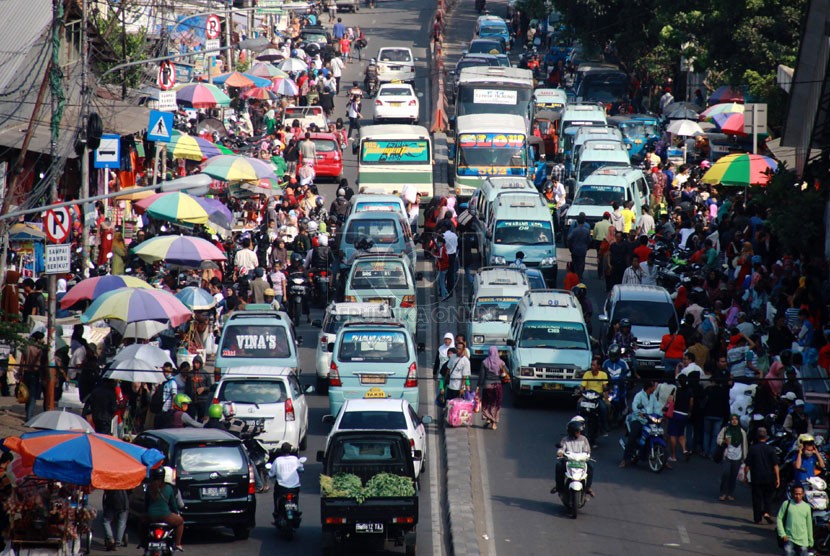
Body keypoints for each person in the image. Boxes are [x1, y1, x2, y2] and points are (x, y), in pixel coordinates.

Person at [550, 417, 594, 497]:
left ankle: (588, 487)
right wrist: (560, 453)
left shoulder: (584, 439)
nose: (578, 433)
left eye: (579, 431)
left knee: (591, 466)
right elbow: (561, 449)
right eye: (577, 432)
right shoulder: (565, 440)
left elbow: (587, 450)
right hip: (568, 460)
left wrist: (587, 455)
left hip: (581, 460)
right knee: (559, 466)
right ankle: (559, 486)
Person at [620, 380, 660, 468]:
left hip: (650, 420)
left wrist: (660, 415)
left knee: (659, 434)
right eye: (653, 387)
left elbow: (657, 407)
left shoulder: (653, 397)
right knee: (632, 437)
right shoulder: (639, 395)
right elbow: (634, 406)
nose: (654, 388)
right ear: (649, 388)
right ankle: (625, 459)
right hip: (638, 419)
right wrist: (639, 413)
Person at [745, 427, 781, 524]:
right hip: (769, 477)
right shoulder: (770, 449)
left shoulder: (753, 449)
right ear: (766, 437)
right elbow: (775, 465)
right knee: (768, 497)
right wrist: (778, 478)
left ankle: (757, 518)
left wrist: (745, 476)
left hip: (756, 477)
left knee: (756, 498)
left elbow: (747, 465)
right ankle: (767, 512)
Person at [145, 467, 184, 551]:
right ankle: (178, 544)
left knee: (141, 523)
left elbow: (146, 504)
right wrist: (176, 512)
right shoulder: (168, 488)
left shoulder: (149, 488)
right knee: (180, 522)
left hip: (151, 517)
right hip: (165, 516)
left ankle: (142, 542)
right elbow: (173, 505)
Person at [268, 443, 304, 525]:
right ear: (290, 450)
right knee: (296, 497)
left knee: (276, 495)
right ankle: (296, 509)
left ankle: (276, 511)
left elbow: (271, 474)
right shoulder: (295, 459)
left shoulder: (277, 460)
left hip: (282, 487)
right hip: (294, 487)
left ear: (281, 450)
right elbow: (301, 469)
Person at [716, 414, 748, 501]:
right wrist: (724, 442)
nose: (734, 421)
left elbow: (744, 445)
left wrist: (744, 457)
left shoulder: (742, 432)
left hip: (737, 457)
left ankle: (730, 493)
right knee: (726, 473)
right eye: (732, 419)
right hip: (727, 456)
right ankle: (723, 493)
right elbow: (718, 439)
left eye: (736, 419)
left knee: (733, 476)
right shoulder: (726, 429)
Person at [777, 483, 814, 556]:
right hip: (789, 538)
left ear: (803, 494)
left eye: (800, 494)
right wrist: (782, 534)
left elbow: (809, 524)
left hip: (803, 540)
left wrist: (810, 541)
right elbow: (779, 519)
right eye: (796, 494)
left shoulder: (807, 507)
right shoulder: (786, 504)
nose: (798, 496)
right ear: (792, 494)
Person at [477, 346, 508, 430]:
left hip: (487, 386)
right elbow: (506, 373)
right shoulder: (501, 362)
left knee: (487, 403)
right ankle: (494, 423)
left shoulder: (484, 362)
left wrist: (478, 386)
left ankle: (488, 418)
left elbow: (482, 376)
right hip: (498, 386)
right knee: (495, 404)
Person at [667, 374, 693, 463]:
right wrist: (689, 411)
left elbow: (670, 401)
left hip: (675, 413)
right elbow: (691, 403)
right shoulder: (690, 391)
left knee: (673, 434)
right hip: (685, 414)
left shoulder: (676, 390)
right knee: (681, 434)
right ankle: (684, 449)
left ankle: (673, 456)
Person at [579, 355, 609, 433]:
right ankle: (578, 424)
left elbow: (605, 388)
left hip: (598, 397)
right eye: (591, 365)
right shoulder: (587, 374)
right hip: (587, 397)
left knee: (604, 408)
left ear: (598, 366)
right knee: (579, 404)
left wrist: (606, 398)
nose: (592, 367)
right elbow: (582, 386)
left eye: (594, 365)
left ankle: (604, 426)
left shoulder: (603, 374)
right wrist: (581, 393)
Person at [566, 212, 590, 279]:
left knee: (575, 263)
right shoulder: (586, 230)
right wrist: (587, 247)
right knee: (581, 263)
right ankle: (580, 275)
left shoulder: (574, 230)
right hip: (583, 250)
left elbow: (568, 238)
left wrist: (570, 247)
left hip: (575, 249)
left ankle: (576, 275)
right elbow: (589, 240)